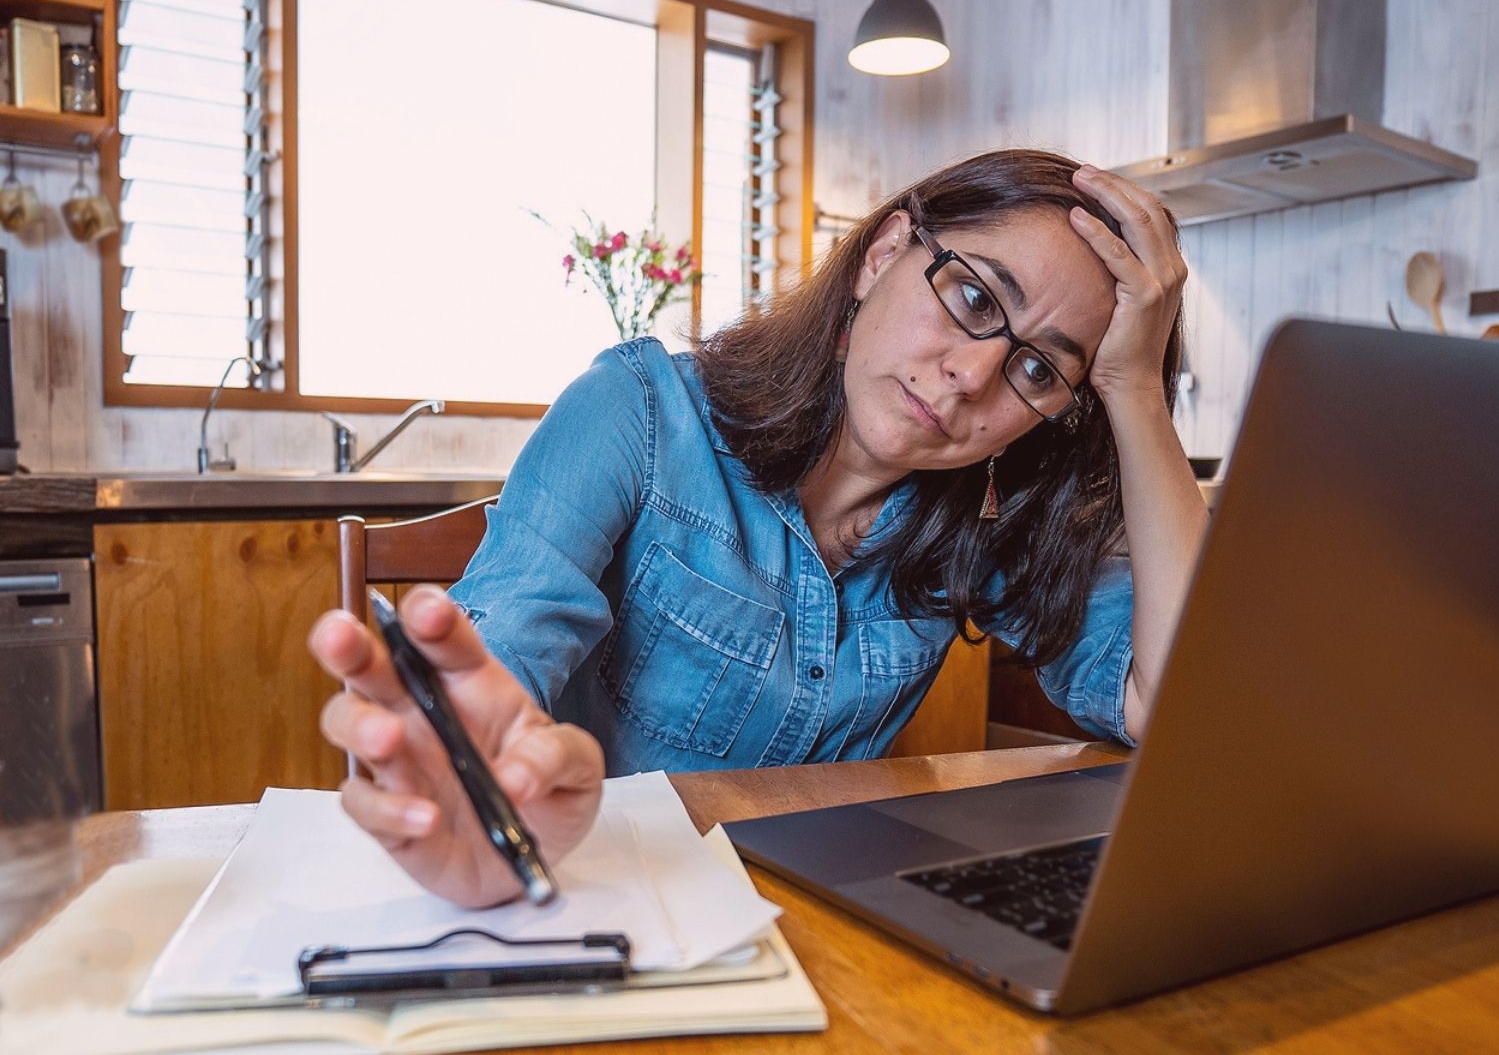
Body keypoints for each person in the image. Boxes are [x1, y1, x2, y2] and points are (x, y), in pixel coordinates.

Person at [307, 150, 1207, 907]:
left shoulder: (982, 519)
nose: (972, 376)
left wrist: (1134, 391)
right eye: (974, 300)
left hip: (823, 920)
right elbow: (500, 651)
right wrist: (465, 775)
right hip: (597, 895)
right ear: (884, 254)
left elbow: (1179, 712)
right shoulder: (641, 413)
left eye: (1040, 370)